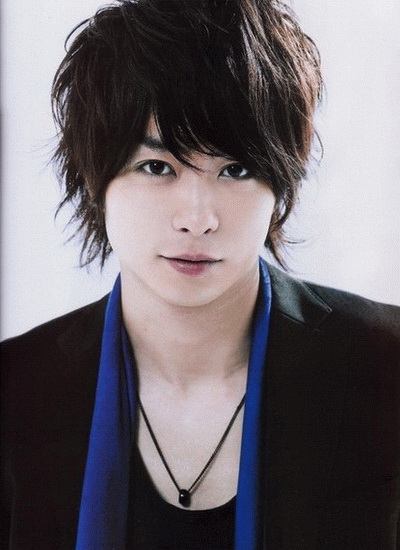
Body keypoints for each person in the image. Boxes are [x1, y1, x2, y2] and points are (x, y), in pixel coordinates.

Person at [1, 0, 399, 548]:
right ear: (96, 178)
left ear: (281, 183)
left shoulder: (385, 366)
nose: (197, 218)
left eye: (236, 169)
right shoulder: (17, 391)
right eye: (157, 167)